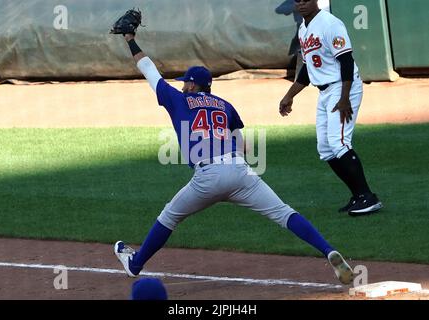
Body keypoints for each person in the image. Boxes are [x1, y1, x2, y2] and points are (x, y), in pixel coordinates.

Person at [113, 32, 354, 285]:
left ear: (193, 85)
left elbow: (149, 69)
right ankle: (328, 250)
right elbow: (244, 146)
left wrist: (130, 39)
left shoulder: (179, 98)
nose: (183, 85)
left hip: (208, 176)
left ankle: (136, 263)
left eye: (186, 82)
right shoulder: (225, 105)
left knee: (169, 217)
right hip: (240, 172)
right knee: (284, 213)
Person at [279, 0, 383, 216]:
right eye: (298, 0)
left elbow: (346, 60)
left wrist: (344, 99)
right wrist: (289, 95)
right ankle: (358, 195)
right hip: (325, 91)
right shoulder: (303, 28)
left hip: (343, 87)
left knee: (339, 142)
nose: (301, 4)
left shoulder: (330, 24)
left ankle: (367, 197)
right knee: (325, 148)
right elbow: (308, 68)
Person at [275, 0, 304, 80]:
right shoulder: (294, 1)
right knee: (302, 49)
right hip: (302, 26)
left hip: (317, 26)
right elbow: (279, 9)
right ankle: (302, 78)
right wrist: (294, 7)